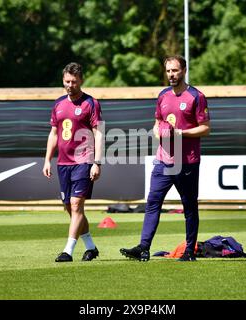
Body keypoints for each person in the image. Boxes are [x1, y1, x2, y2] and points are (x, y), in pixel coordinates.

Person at [120, 55, 211, 262]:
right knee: (153, 202)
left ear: (184, 70)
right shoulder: (162, 95)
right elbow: (157, 122)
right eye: (168, 70)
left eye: (175, 70)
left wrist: (180, 133)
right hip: (163, 160)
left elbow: (206, 128)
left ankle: (189, 251)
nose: (171, 74)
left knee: (189, 206)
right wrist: (157, 132)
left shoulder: (196, 96)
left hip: (187, 161)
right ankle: (143, 248)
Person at [43, 62, 103, 262]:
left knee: (76, 205)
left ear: (81, 81)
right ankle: (91, 247)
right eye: (67, 81)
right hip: (63, 163)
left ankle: (68, 251)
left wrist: (97, 162)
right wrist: (47, 160)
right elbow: (53, 133)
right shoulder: (58, 104)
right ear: (63, 81)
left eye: (74, 82)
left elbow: (99, 133)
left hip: (83, 161)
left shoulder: (91, 103)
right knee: (70, 207)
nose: (70, 85)